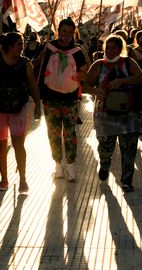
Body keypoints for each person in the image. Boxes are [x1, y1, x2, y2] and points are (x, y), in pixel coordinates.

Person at [0, 32, 42, 193]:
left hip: (19, 108)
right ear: (8, 46)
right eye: (19, 44)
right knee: (1, 144)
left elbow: (33, 85)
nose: (22, 47)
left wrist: (38, 105)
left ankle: (23, 179)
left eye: (22, 44)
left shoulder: (26, 64)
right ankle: (4, 179)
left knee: (18, 144)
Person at [84, 34, 142, 191]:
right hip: (105, 115)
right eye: (107, 48)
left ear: (120, 49)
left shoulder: (128, 62)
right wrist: (97, 91)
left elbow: (140, 77)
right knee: (105, 147)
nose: (110, 51)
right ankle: (104, 164)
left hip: (128, 114)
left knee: (129, 149)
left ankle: (126, 180)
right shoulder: (98, 64)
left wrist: (123, 81)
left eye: (114, 48)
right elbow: (85, 85)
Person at [35, 18, 89, 181]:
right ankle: (58, 165)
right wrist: (41, 57)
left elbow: (84, 72)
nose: (66, 36)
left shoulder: (78, 52)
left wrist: (78, 75)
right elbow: (36, 68)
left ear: (74, 33)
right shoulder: (48, 48)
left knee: (70, 132)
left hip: (70, 98)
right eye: (63, 31)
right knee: (53, 132)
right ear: (58, 30)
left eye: (69, 33)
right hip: (50, 98)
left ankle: (71, 166)